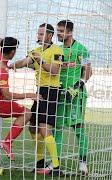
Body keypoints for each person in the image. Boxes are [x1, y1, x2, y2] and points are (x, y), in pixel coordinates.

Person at [10, 23, 64, 176]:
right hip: (40, 91)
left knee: (43, 126)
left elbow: (54, 71)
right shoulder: (36, 51)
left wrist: (40, 61)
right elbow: (24, 62)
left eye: (41, 34)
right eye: (38, 34)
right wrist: (9, 65)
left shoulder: (57, 51)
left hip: (51, 91)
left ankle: (56, 165)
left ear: (49, 35)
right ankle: (40, 162)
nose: (38, 37)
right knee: (33, 127)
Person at [55, 20, 91, 175]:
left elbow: (88, 71)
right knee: (57, 128)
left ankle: (83, 163)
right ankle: (54, 163)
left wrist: (77, 86)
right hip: (61, 95)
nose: (58, 34)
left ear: (70, 32)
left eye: (61, 31)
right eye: (58, 31)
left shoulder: (82, 49)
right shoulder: (58, 50)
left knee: (78, 129)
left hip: (76, 95)